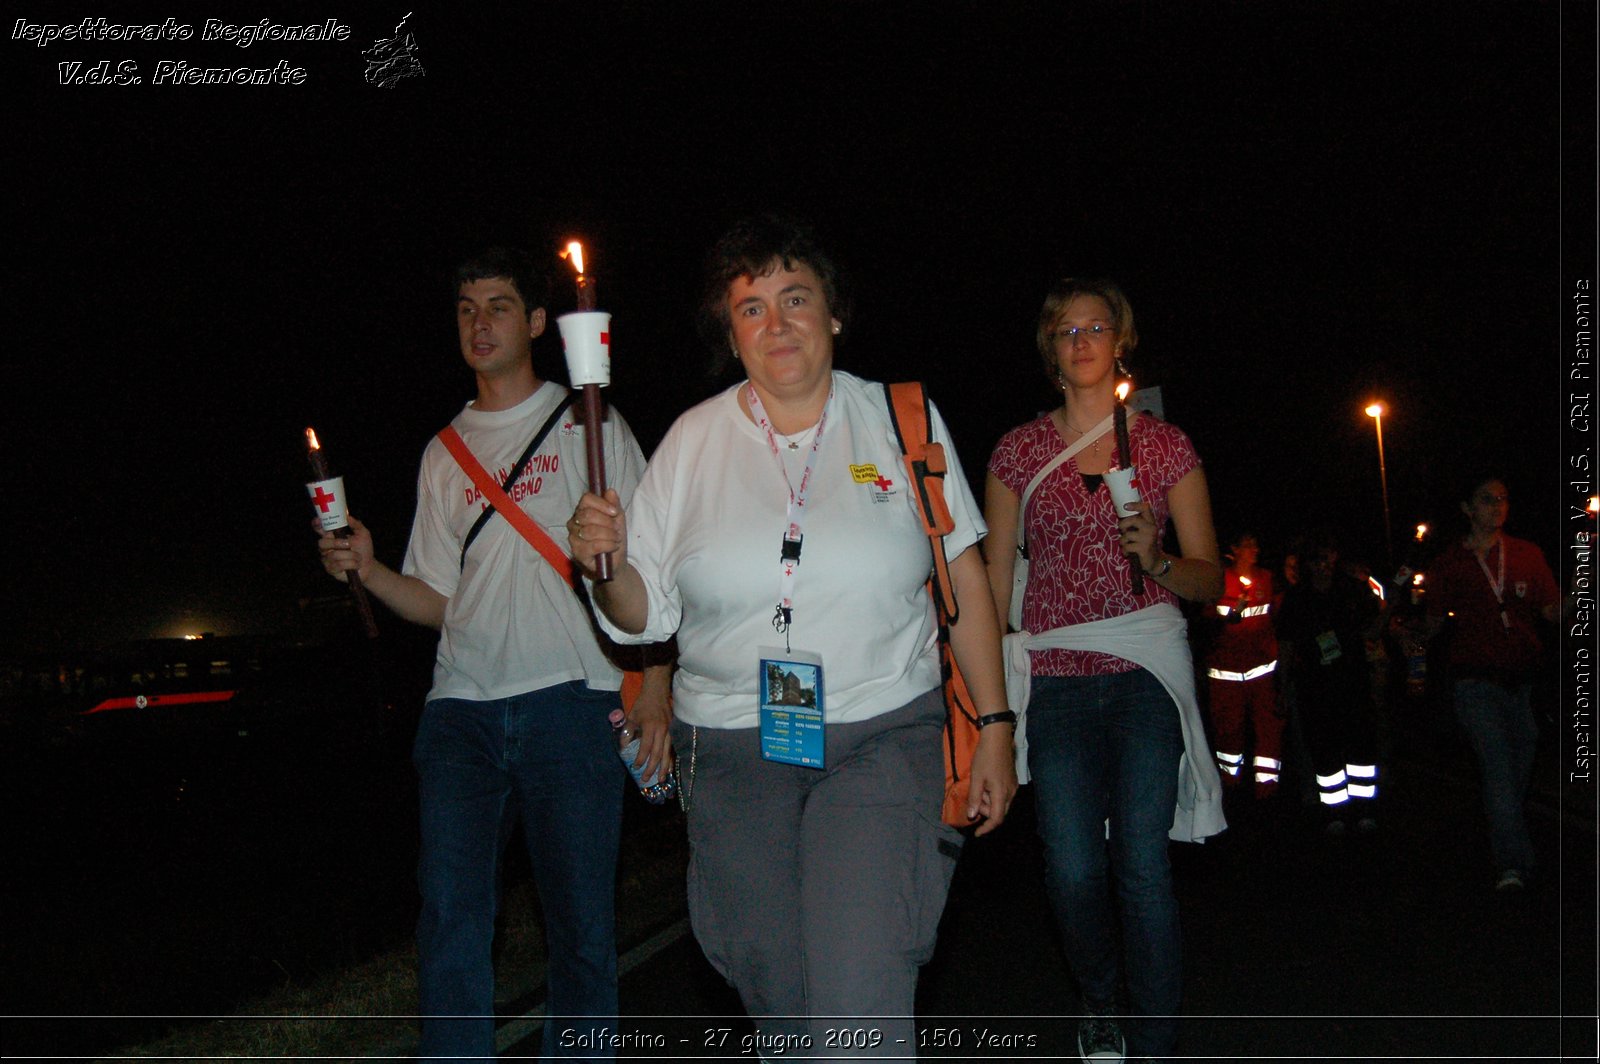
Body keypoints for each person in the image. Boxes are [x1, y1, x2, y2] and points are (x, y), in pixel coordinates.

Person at [568, 214, 1017, 1056]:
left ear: (835, 314)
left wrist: (996, 725)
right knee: (781, 999)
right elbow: (645, 614)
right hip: (733, 749)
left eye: (795, 297)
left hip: (883, 732)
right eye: (750, 308)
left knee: (860, 997)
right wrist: (606, 568)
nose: (776, 324)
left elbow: (963, 577)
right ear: (729, 333)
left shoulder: (899, 420)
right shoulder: (692, 444)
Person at [316, 247, 670, 1061]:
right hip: (461, 714)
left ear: (541, 323)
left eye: (500, 306)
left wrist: (656, 681)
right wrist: (369, 570)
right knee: (448, 921)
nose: (481, 323)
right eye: (468, 308)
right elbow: (443, 603)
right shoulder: (443, 451)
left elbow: (658, 575)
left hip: (573, 705)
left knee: (580, 928)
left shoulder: (594, 425)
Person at [985, 278, 1224, 1063]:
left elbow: (1209, 578)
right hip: (1054, 677)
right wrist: (981, 696)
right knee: (1073, 870)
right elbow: (990, 582)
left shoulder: (1164, 445)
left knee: (1142, 866)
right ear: (1050, 349)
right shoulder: (1018, 451)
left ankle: (1152, 1038)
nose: (1082, 339)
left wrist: (1156, 556)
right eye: (1066, 330)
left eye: (1097, 327)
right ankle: (1098, 994)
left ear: (1120, 342)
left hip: (1145, 672)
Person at [1425, 475, 1559, 892]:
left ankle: (1502, 834)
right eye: (1487, 499)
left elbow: (1552, 612)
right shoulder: (1449, 562)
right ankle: (1514, 864)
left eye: (1503, 498)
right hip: (1475, 683)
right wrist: (1407, 629)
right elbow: (1430, 622)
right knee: (1500, 770)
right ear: (1467, 508)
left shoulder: (1526, 553)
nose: (1498, 506)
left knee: (1517, 769)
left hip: (1522, 683)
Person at [1273, 530, 1384, 835]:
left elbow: (1373, 628)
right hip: (1316, 685)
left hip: (1353, 681)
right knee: (1324, 749)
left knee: (1361, 747)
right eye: (1317, 559)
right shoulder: (1298, 598)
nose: (1323, 565)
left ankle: (1365, 811)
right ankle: (1334, 811)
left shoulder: (1352, 589)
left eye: (1329, 557)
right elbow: (1286, 645)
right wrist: (1282, 687)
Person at [1205, 532, 1284, 804]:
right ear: (1234, 549)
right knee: (1228, 730)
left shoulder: (1266, 578)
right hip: (1225, 674)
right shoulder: (1218, 581)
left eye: (1255, 544)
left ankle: (1268, 788)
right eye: (1248, 544)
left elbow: (1276, 618)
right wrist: (1229, 618)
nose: (1254, 549)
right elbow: (1206, 624)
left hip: (1261, 671)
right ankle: (1230, 785)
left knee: (1268, 728)